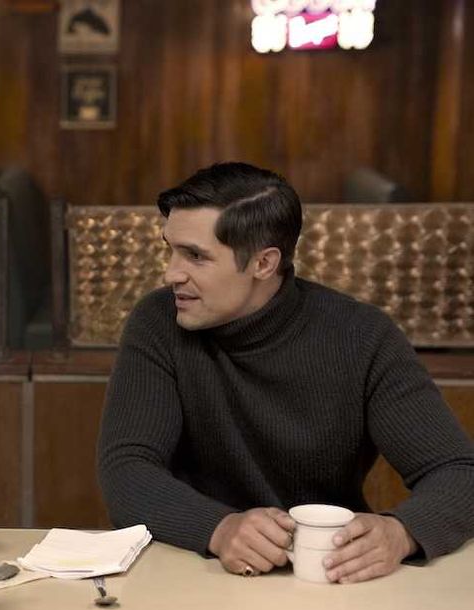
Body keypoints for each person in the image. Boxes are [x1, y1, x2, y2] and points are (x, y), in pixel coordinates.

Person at [98, 162, 474, 583]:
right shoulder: (158, 321)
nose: (171, 273)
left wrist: (403, 533)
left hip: (327, 578)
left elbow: (458, 472)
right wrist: (219, 528)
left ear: (263, 263)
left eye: (195, 256)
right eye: (170, 249)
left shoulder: (362, 337)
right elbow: (127, 469)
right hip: (192, 571)